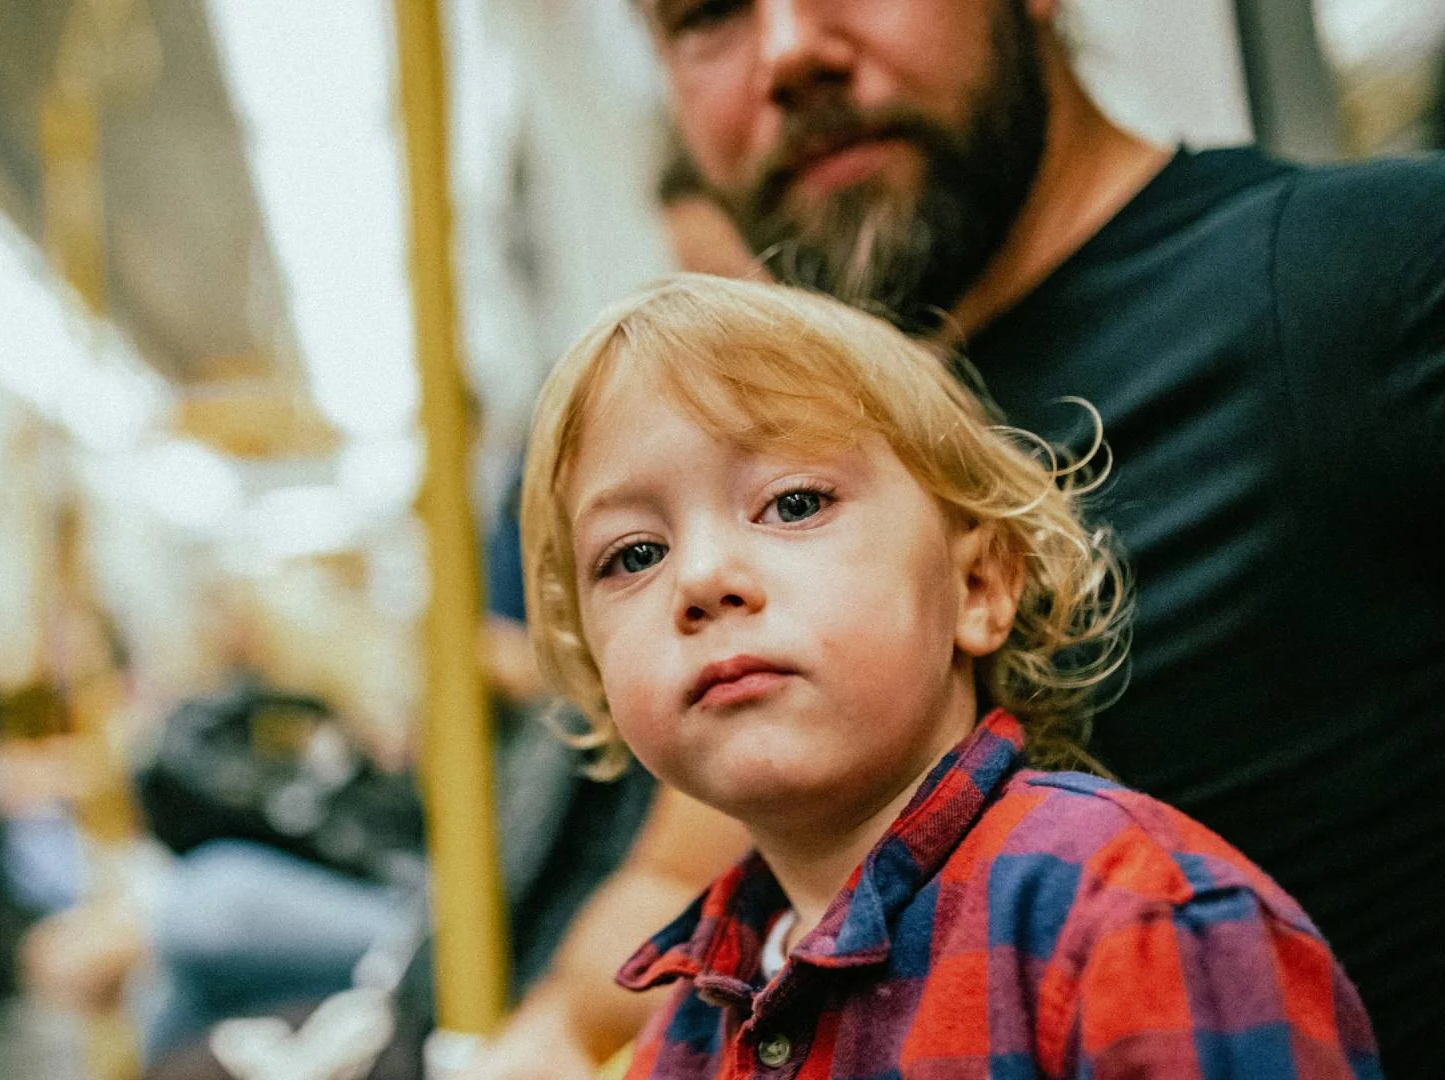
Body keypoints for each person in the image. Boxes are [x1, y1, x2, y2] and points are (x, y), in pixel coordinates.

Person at [467, 2, 1445, 1076]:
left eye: (796, 505)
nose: (789, 50)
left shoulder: (1372, 279)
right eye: (708, 14)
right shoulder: (817, 451)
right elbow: (654, 914)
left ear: (986, 576)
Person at [527, 273, 1381, 1078]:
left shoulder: (1141, 925)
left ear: (977, 587)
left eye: (794, 502)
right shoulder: (685, 1028)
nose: (702, 578)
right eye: (634, 555)